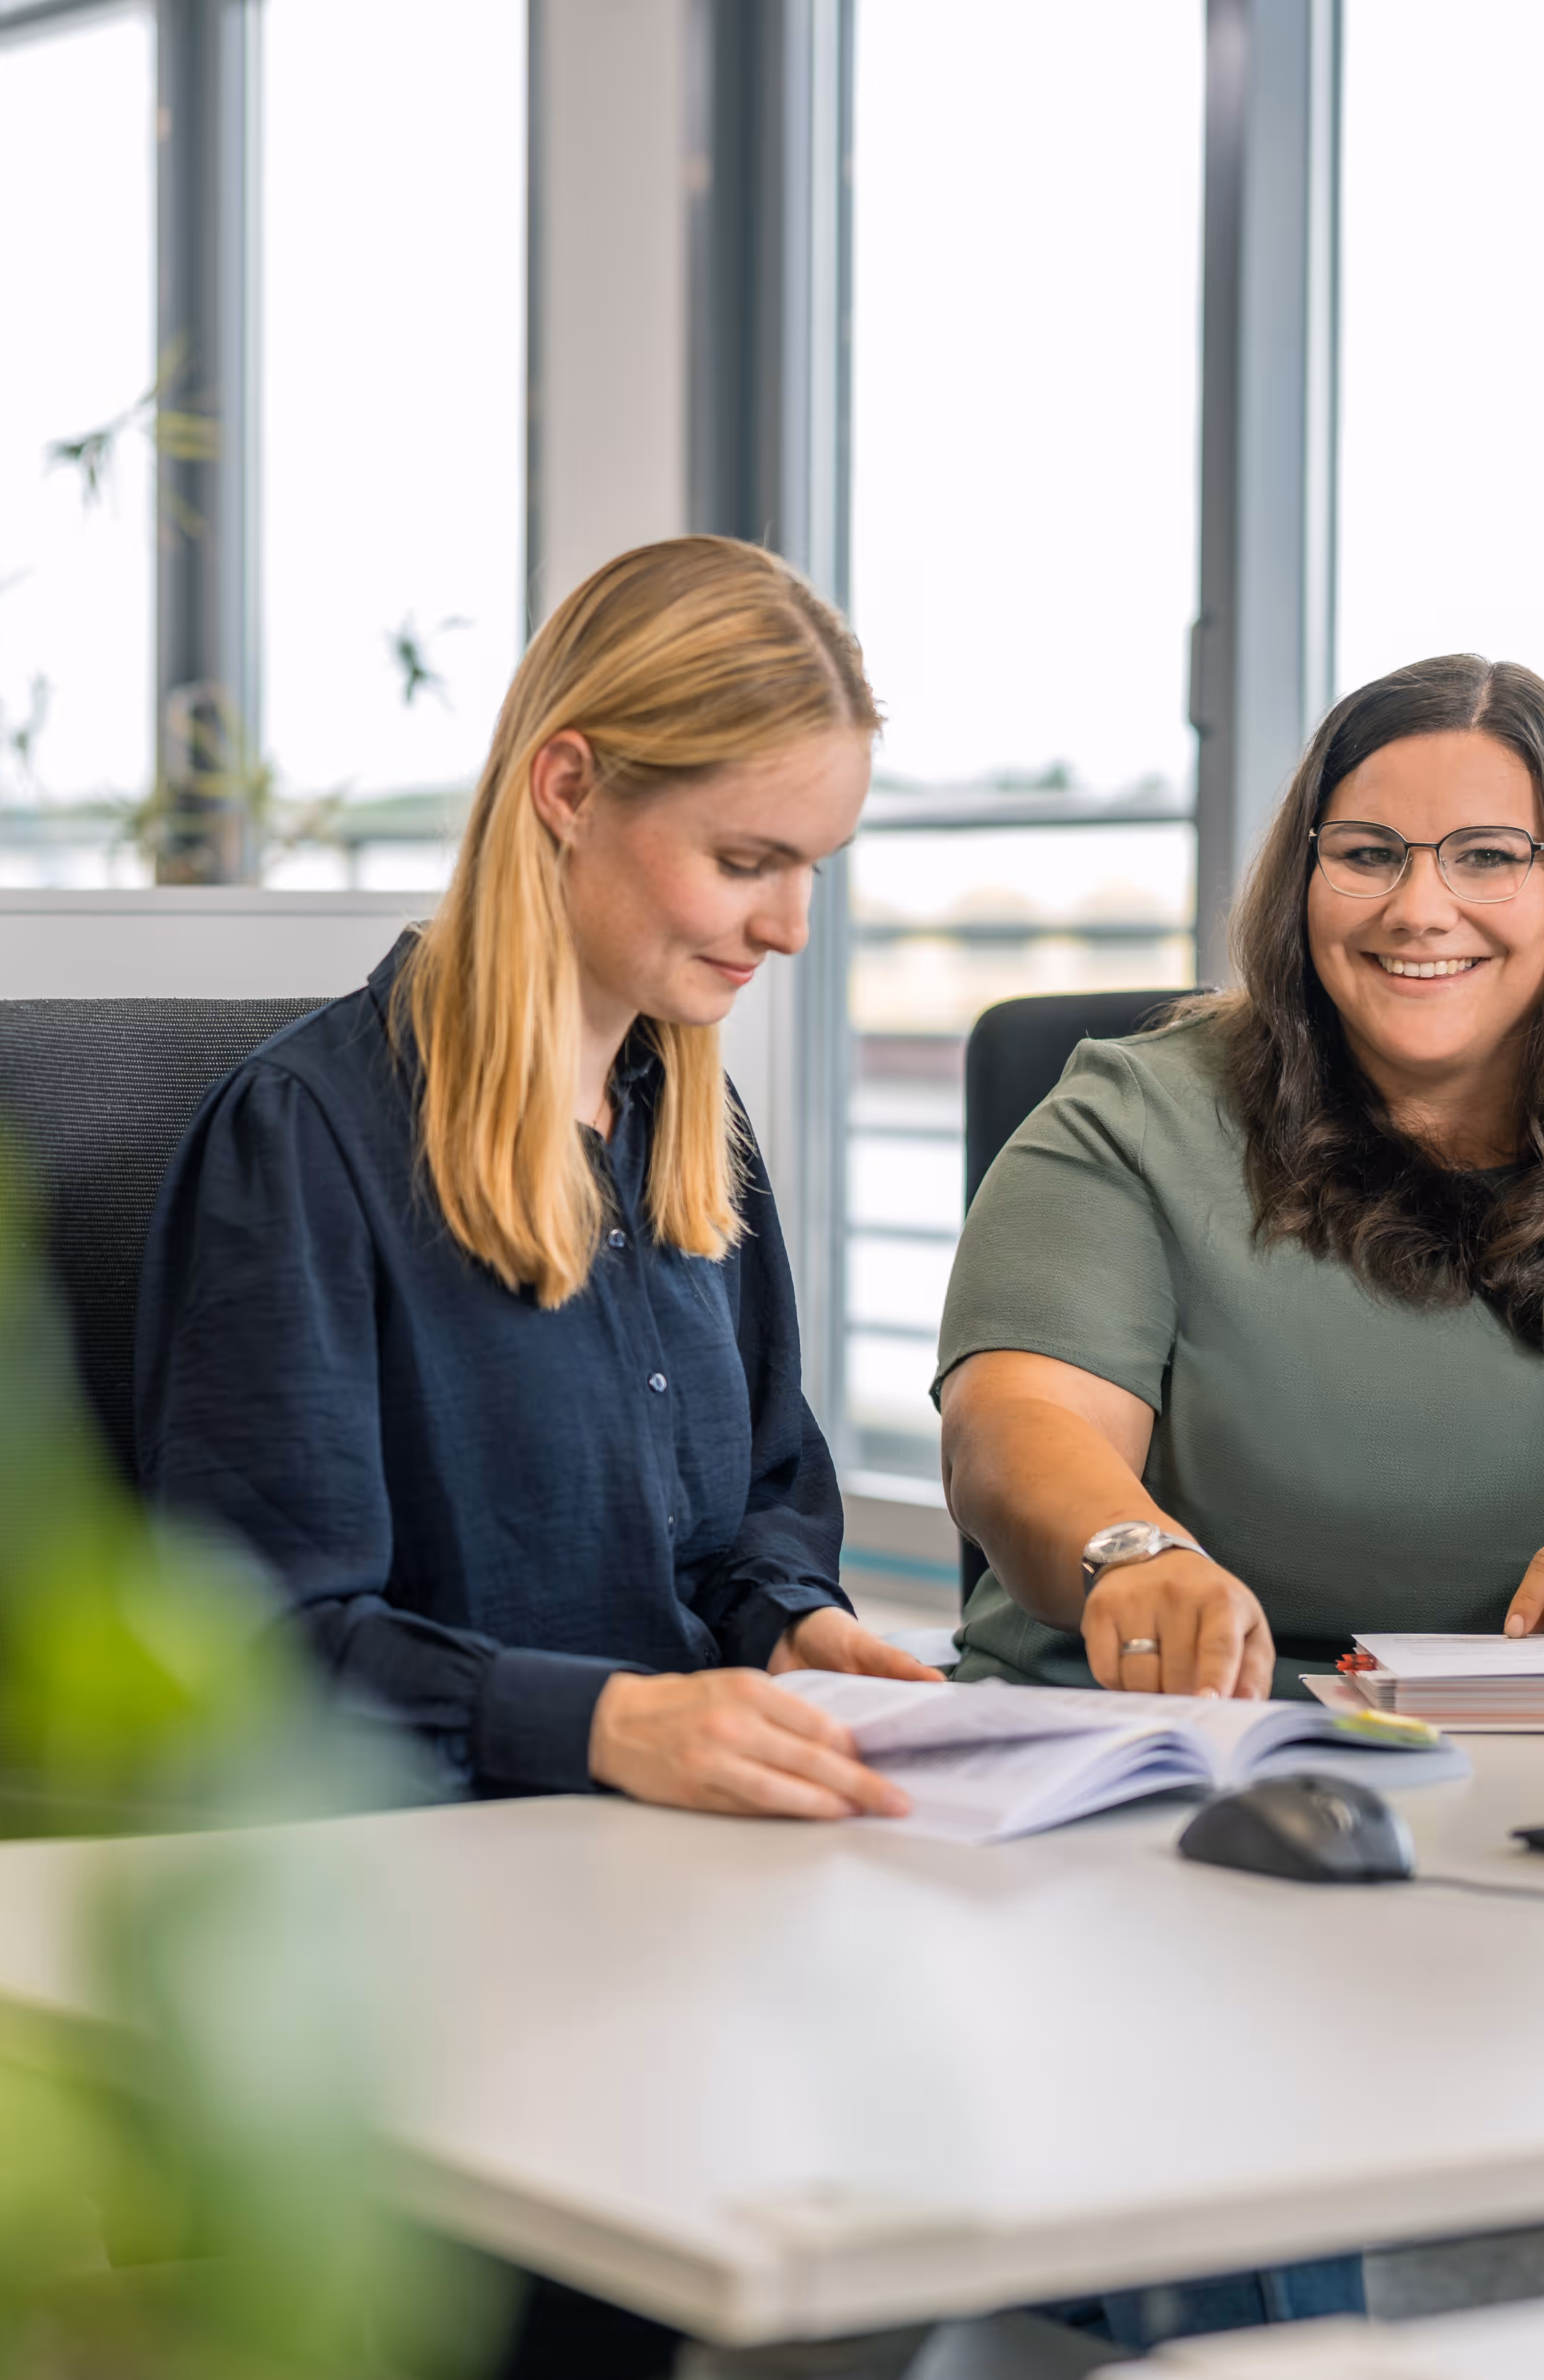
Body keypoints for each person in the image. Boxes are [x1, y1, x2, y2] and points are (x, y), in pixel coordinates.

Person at [938, 649, 1544, 2283]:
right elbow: (1016, 1428)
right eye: (1369, 851)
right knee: (1264, 2255)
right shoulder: (1135, 1117)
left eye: (1488, 854)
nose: (1423, 907)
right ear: (1304, 876)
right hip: (1226, 1802)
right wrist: (1137, 1553)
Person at [134, 534, 941, 1837]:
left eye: (812, 870)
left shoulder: (688, 1121)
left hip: (693, 1857)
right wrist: (610, 1724)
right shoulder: (305, 1137)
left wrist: (792, 1628)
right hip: (440, 1876)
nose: (789, 927)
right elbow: (254, 1648)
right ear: (568, 786)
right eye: (746, 862)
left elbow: (768, 1494)